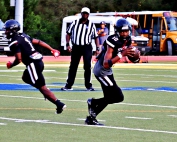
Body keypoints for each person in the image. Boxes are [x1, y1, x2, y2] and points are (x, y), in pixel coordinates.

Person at [3, 19, 66, 114]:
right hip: (39, 62)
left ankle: (59, 104)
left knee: (42, 88)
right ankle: (44, 90)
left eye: (7, 30)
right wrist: (51, 49)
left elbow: (19, 59)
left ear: (13, 30)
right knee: (25, 77)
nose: (5, 32)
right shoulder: (23, 35)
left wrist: (11, 65)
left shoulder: (14, 42)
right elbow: (39, 42)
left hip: (32, 65)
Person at [85, 18, 140, 125]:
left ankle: (91, 118)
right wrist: (122, 54)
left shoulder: (127, 39)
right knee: (118, 96)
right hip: (101, 70)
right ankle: (92, 102)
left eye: (126, 31)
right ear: (117, 31)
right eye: (122, 31)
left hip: (107, 70)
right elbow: (106, 63)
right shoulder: (112, 40)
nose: (124, 34)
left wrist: (135, 58)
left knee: (108, 97)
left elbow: (128, 54)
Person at [61, 7, 100, 91]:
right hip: (76, 47)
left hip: (87, 47)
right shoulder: (74, 23)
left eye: (86, 14)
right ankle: (68, 85)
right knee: (73, 66)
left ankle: (88, 85)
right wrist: (68, 44)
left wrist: (97, 48)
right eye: (84, 13)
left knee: (87, 66)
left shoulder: (91, 25)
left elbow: (96, 37)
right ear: (81, 13)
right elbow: (68, 33)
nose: (85, 15)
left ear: (88, 15)